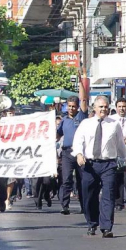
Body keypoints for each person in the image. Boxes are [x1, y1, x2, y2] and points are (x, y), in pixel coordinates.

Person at [72, 96, 126, 238]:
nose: (103, 109)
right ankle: (92, 223)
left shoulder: (114, 124)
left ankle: (106, 227)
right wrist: (79, 154)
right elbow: (78, 141)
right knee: (89, 195)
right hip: (90, 165)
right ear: (94, 108)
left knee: (108, 195)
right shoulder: (86, 123)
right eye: (100, 107)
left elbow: (120, 145)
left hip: (108, 164)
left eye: (105, 107)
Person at [56, 80, 88, 215]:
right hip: (67, 153)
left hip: (80, 152)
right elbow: (57, 135)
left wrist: (82, 80)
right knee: (66, 179)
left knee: (82, 181)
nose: (71, 109)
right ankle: (65, 206)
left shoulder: (82, 116)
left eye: (74, 106)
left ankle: (84, 206)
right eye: (69, 106)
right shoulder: (63, 120)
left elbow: (84, 99)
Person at [109, 97, 126, 211]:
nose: (122, 109)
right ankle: (118, 202)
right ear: (116, 108)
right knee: (117, 178)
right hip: (115, 151)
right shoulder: (111, 119)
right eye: (119, 107)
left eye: (124, 107)